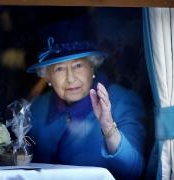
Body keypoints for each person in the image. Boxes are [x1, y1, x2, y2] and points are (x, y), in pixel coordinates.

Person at [27, 15, 146, 180]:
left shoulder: (123, 101)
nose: (70, 78)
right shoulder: (38, 107)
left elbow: (133, 172)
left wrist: (108, 129)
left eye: (78, 65)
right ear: (47, 76)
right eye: (59, 69)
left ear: (93, 66)